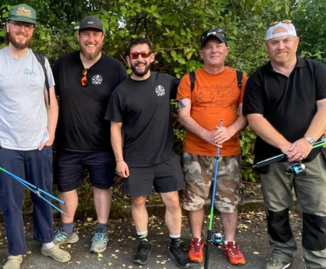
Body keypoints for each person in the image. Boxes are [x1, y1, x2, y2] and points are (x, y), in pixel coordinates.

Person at [0, 4, 70, 268]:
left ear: (33, 30)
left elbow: (53, 103)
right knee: (11, 202)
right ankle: (15, 252)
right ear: (8, 26)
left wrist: (50, 136)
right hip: (5, 147)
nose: (22, 29)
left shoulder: (41, 61)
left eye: (27, 26)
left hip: (39, 144)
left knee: (43, 195)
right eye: (17, 24)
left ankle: (47, 242)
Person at [243, 21, 326, 269]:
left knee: (317, 212)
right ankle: (282, 254)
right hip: (273, 157)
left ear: (296, 42)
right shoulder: (257, 79)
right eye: (274, 42)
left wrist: (307, 141)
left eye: (285, 41)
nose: (280, 46)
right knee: (276, 212)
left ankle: (318, 261)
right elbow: (254, 117)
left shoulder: (316, 70)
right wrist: (285, 146)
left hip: (313, 154)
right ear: (267, 47)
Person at [105, 37, 191, 268]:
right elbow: (115, 127)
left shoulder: (168, 82)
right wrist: (119, 159)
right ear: (128, 60)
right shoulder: (120, 92)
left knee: (172, 201)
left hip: (165, 156)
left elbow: (193, 93)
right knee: (139, 201)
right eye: (134, 55)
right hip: (135, 159)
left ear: (152, 57)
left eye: (144, 54)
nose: (140, 59)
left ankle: (175, 244)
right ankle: (143, 241)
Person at [51, 15, 127, 253]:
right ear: (79, 37)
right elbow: (48, 99)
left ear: (102, 38)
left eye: (95, 34)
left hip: (102, 145)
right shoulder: (62, 64)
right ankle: (67, 230)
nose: (90, 39)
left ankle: (101, 231)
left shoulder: (115, 68)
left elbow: (126, 107)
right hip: (67, 143)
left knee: (102, 187)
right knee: (66, 188)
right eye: (86, 34)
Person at [176, 28, 247, 265]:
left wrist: (229, 131)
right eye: (208, 46)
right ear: (201, 53)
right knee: (194, 200)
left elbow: (247, 114)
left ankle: (229, 241)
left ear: (226, 50)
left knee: (229, 201)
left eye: (218, 46)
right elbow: (183, 115)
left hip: (229, 152)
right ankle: (197, 239)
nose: (214, 50)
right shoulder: (190, 79)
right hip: (196, 151)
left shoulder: (240, 78)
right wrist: (206, 134)